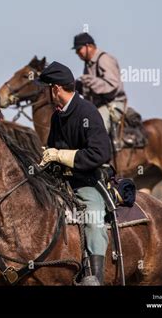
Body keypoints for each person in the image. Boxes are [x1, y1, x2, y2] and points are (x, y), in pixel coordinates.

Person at [38, 61, 111, 285]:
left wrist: (61, 156)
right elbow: (54, 149)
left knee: (93, 219)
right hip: (59, 183)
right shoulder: (57, 116)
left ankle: (96, 277)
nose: (46, 93)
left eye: (47, 88)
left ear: (56, 89)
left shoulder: (87, 112)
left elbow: (101, 154)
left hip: (87, 182)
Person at [73, 32, 126, 133]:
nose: (77, 53)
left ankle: (100, 149)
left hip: (112, 104)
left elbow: (113, 85)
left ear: (88, 46)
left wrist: (91, 82)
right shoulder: (88, 63)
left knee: (96, 127)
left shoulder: (104, 59)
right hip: (97, 106)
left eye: (79, 49)